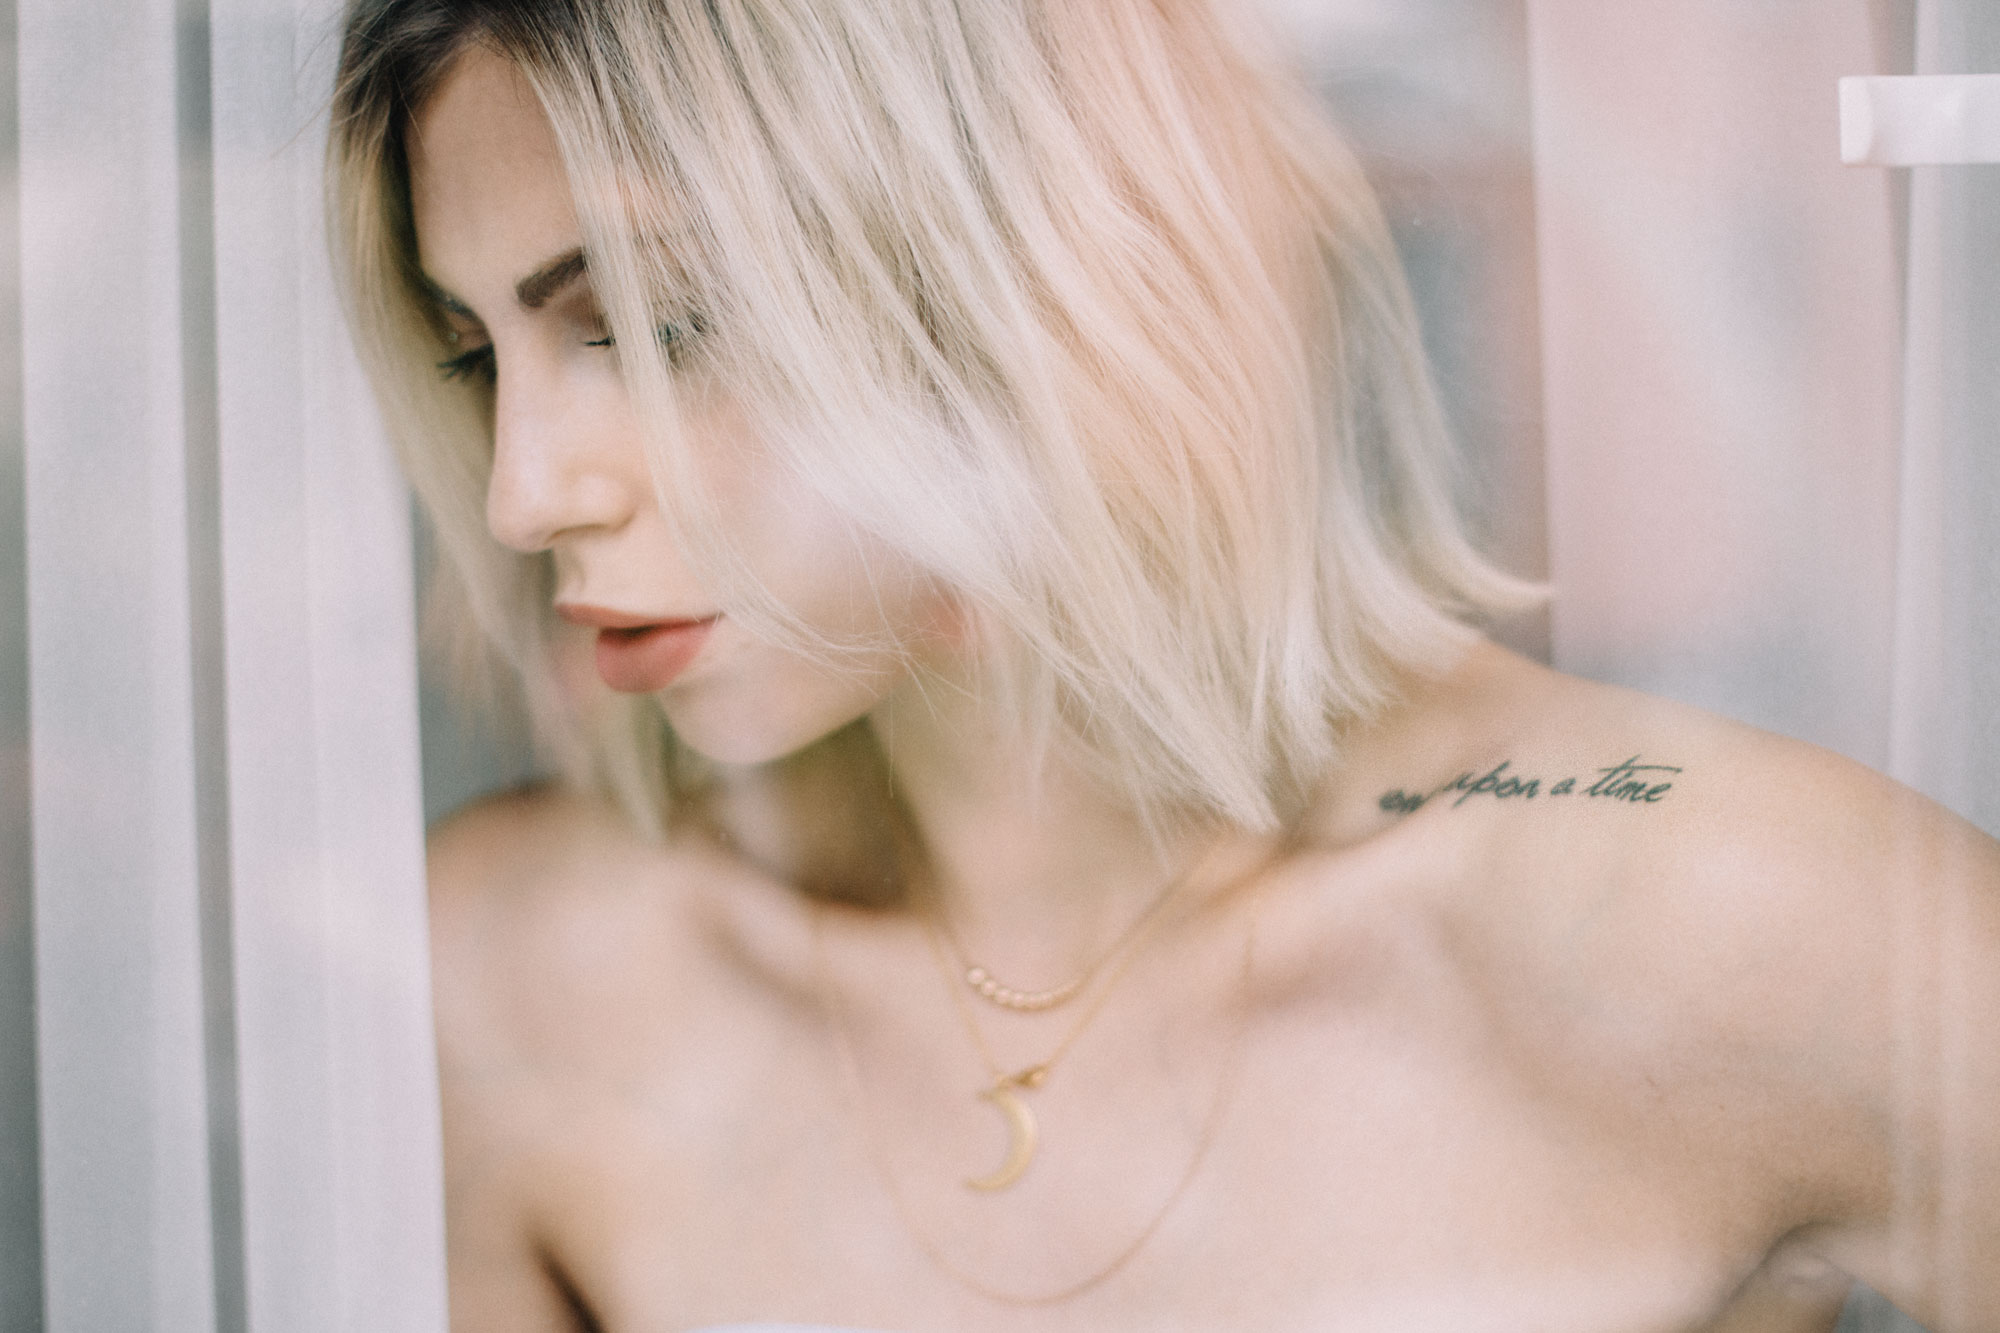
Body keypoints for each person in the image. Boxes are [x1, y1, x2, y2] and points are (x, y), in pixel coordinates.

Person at [328, 1, 1999, 1329]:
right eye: (475, 355)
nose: (524, 492)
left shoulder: (1740, 925)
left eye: (655, 321)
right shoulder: (521, 989)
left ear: (1019, 259)